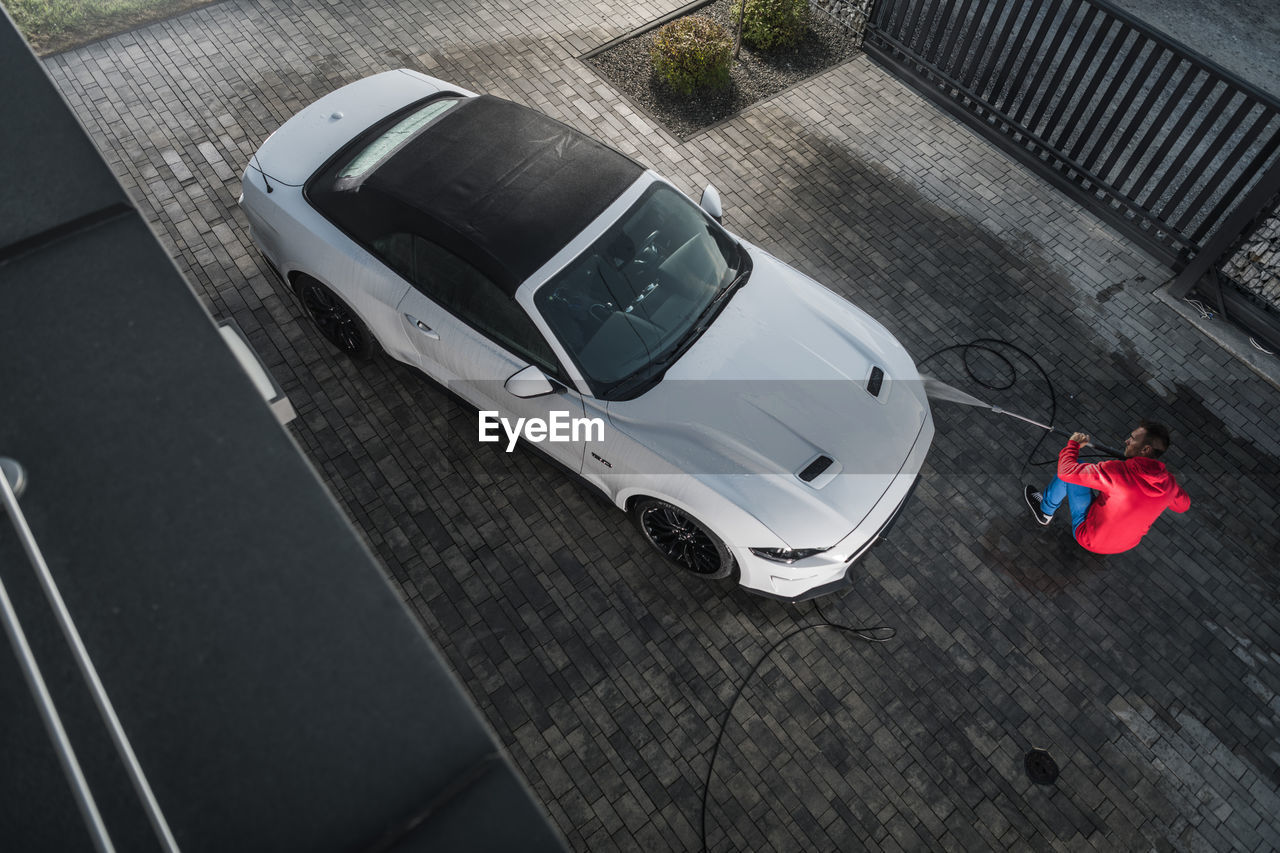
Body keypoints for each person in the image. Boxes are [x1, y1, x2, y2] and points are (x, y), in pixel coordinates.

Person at [1024, 420, 1190, 554]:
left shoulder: (1118, 472)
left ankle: (1044, 511)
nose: (1127, 441)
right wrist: (1170, 488)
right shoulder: (1169, 484)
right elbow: (1183, 505)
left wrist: (1073, 445)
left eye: (1132, 439)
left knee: (1077, 468)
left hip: (1090, 537)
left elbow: (1066, 471)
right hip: (1124, 545)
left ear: (1145, 449)